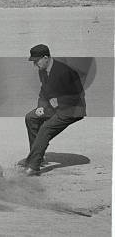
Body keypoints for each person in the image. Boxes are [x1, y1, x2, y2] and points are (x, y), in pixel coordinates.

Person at [21, 44, 86, 176]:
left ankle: (33, 166)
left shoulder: (65, 72)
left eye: (36, 60)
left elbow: (79, 95)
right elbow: (44, 92)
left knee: (46, 128)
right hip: (54, 108)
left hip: (72, 109)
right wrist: (40, 107)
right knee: (31, 117)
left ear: (46, 57)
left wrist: (60, 101)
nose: (35, 64)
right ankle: (39, 157)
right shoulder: (43, 71)